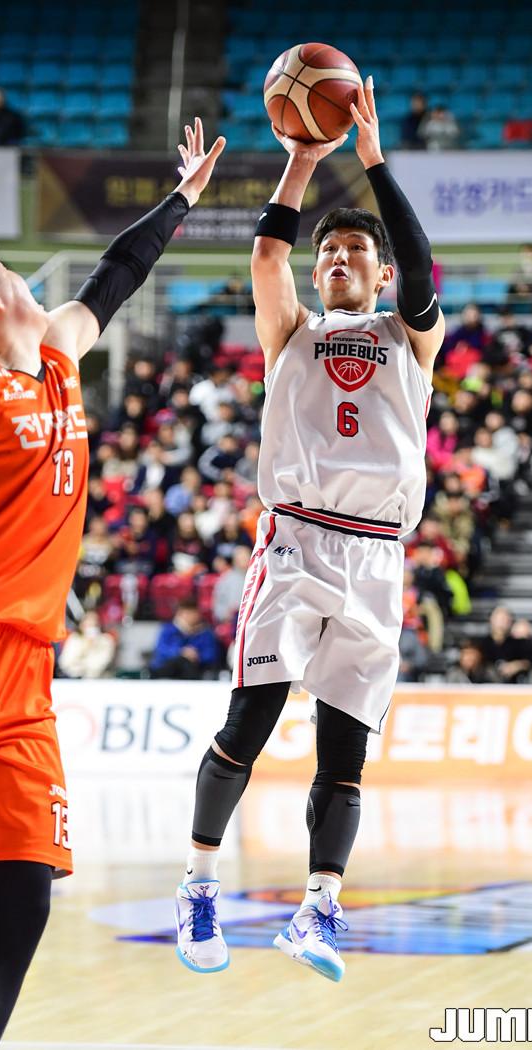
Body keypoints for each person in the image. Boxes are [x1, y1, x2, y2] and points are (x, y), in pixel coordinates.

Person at [175, 75, 444, 983]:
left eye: (355, 251)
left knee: (345, 753)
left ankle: (317, 911)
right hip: (295, 540)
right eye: (327, 250)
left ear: (380, 275)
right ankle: (198, 886)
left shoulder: (411, 338)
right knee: (248, 721)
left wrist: (372, 162)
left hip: (378, 559)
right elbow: (265, 256)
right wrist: (300, 163)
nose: (337, 258)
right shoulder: (289, 330)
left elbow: (423, 267)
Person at [0, 116, 224, 1049]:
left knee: (20, 901)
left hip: (23, 684)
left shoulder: (55, 359)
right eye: (14, 277)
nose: (33, 287)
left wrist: (182, 199)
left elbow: (116, 276)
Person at [150, 598, 220, 679]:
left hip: (195, 669)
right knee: (180, 662)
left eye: (193, 613)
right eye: (187, 613)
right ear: (179, 613)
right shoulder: (168, 630)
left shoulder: (206, 633)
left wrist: (196, 655)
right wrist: (181, 652)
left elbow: (211, 654)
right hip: (168, 668)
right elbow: (161, 649)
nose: (190, 616)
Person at [57, 611, 116, 679]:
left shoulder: (105, 641)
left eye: (93, 625)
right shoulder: (75, 639)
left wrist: (93, 645)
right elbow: (64, 662)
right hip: (73, 679)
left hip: (98, 679)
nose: (90, 628)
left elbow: (99, 664)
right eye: (87, 624)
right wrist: (85, 645)